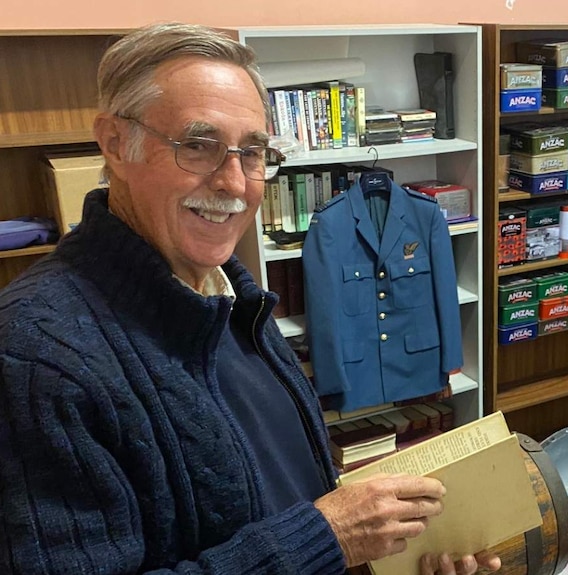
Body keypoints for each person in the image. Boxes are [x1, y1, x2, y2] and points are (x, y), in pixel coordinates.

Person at [0, 23, 500, 575]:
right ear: (115, 142)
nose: (235, 184)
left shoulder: (237, 300)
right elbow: (309, 535)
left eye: (253, 152)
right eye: (197, 146)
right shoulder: (33, 359)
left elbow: (285, 496)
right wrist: (329, 537)